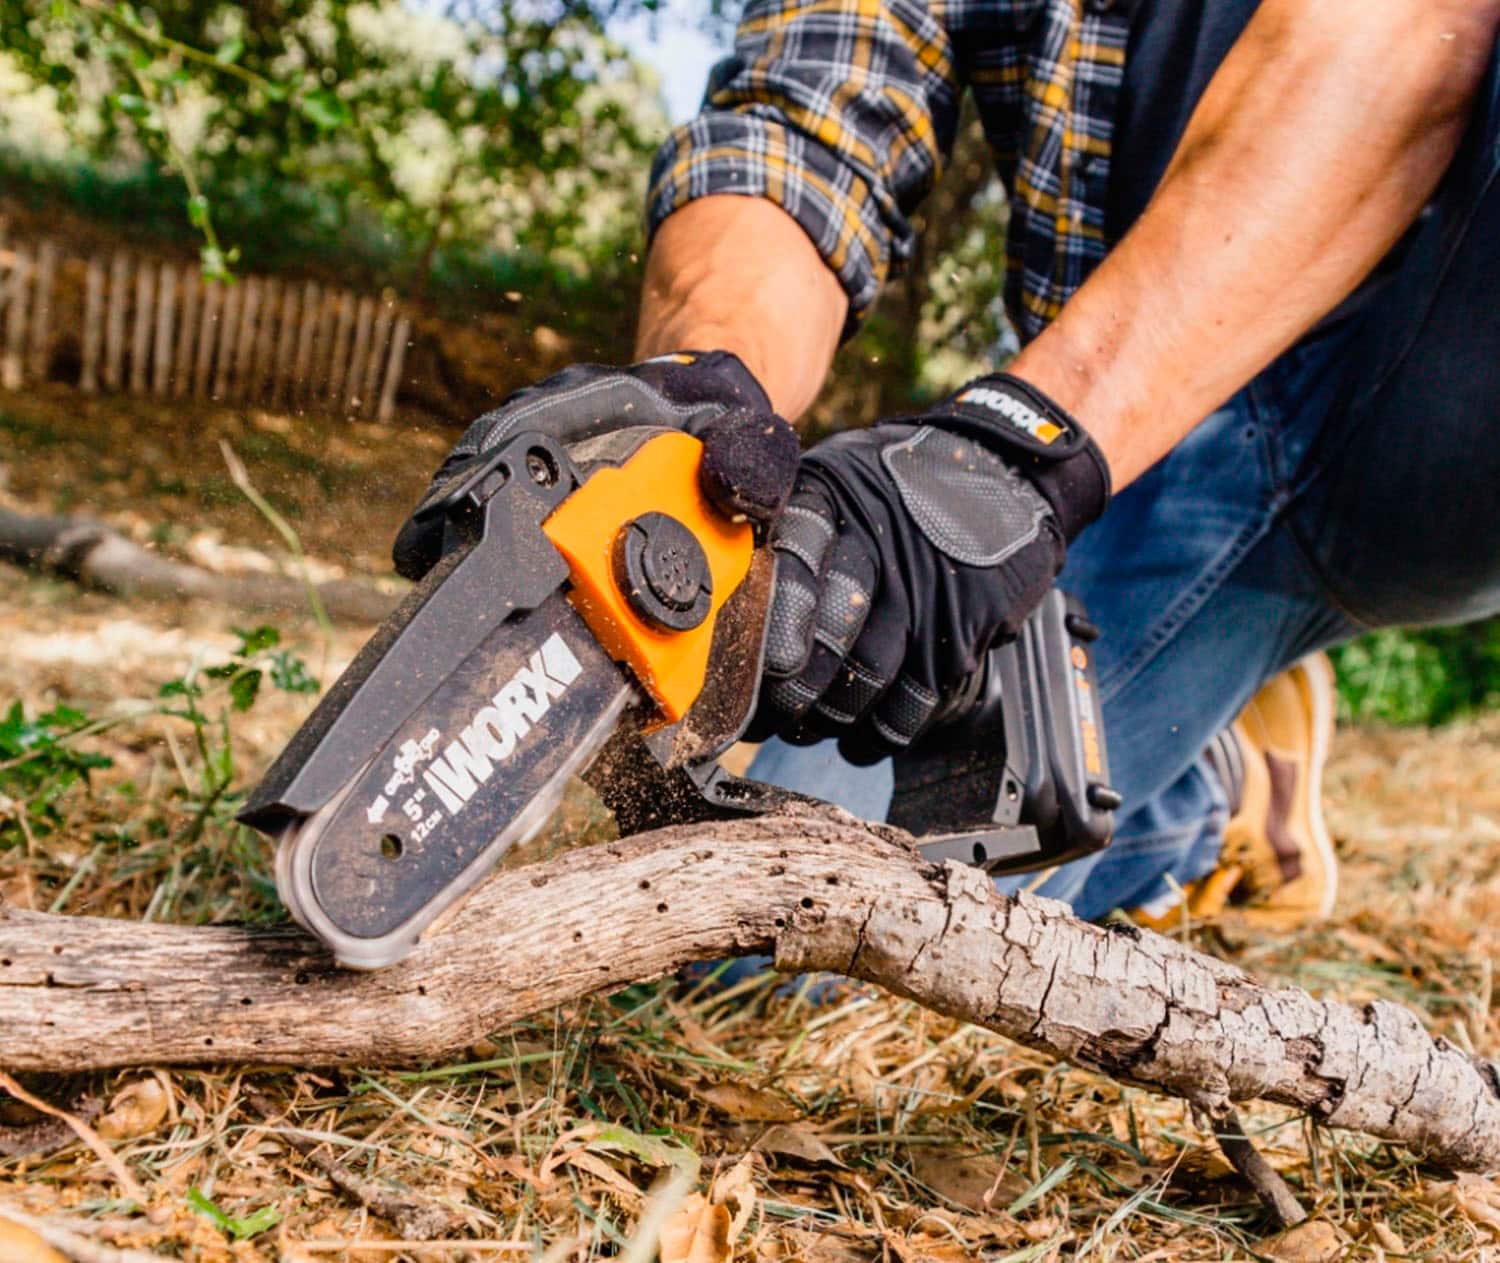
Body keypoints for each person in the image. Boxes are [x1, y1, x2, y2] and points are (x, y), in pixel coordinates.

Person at [399, 0, 1500, 932]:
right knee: (759, 931)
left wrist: (1010, 453)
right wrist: (695, 405)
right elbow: (805, 126)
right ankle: (1196, 785)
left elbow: (1405, 35)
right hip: (1135, 439)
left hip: (1417, 397)